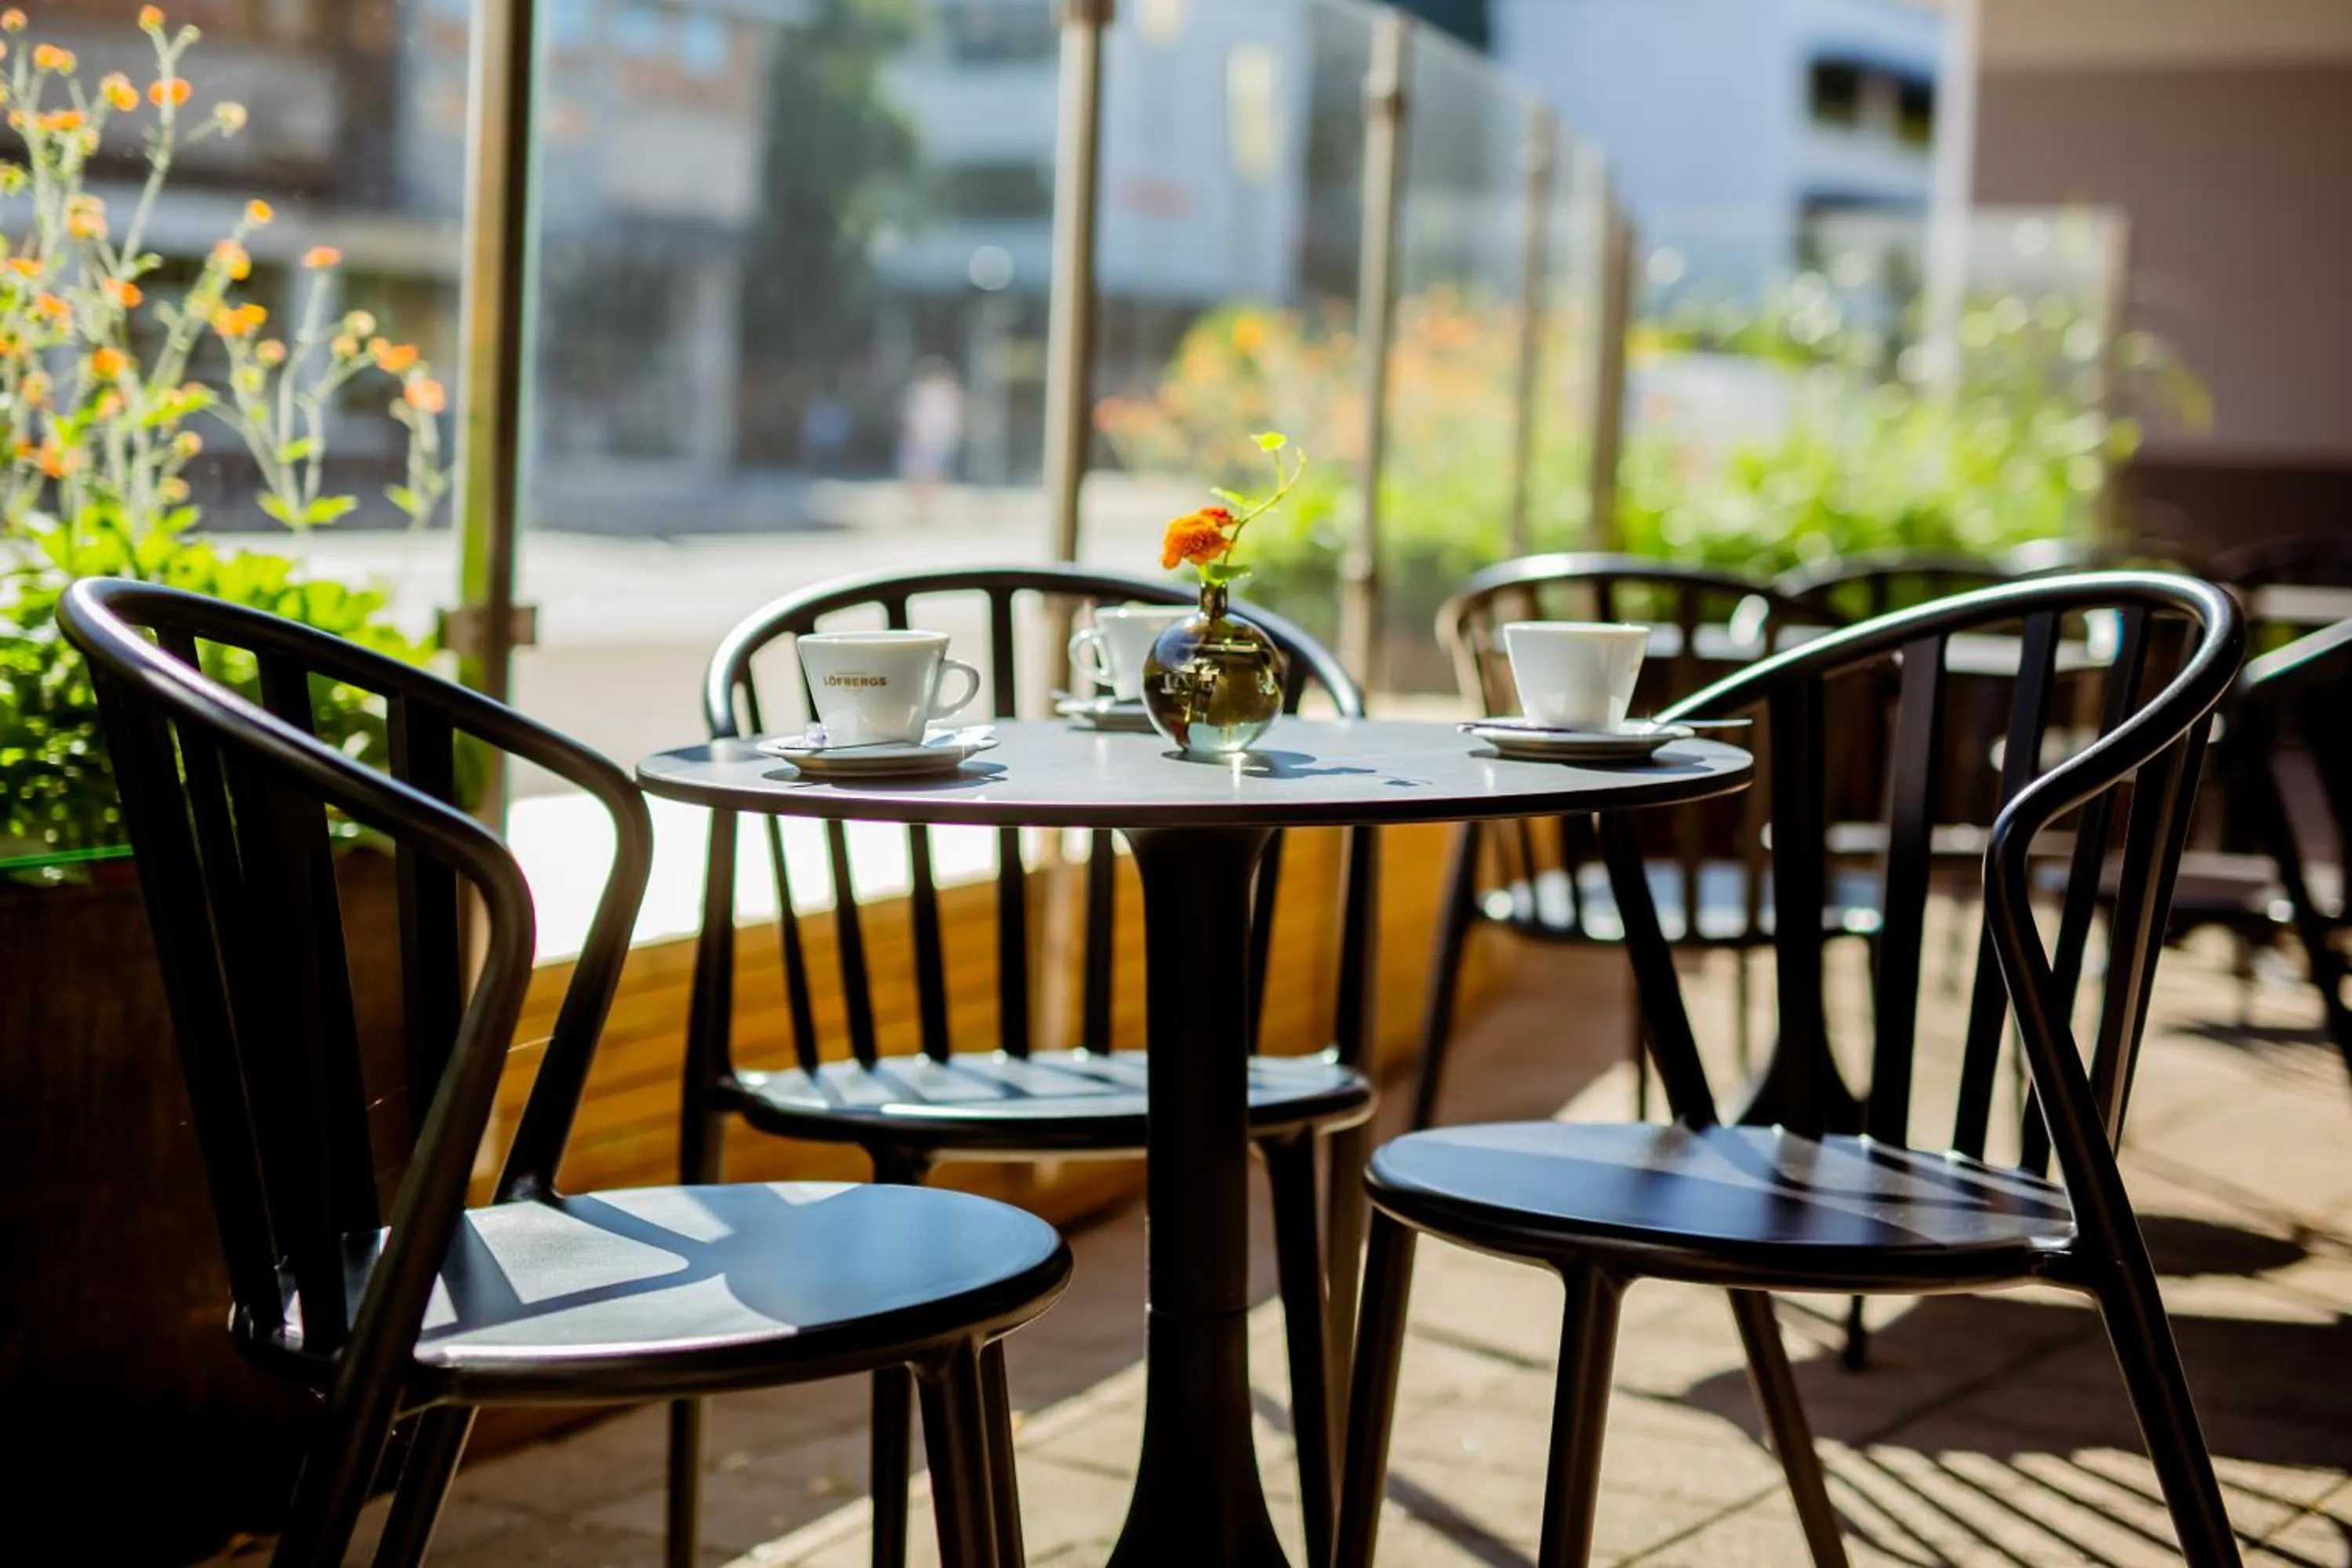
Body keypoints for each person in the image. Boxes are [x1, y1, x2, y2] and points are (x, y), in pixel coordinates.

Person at [896, 357, 964, 519]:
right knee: (923, 474)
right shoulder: (922, 392)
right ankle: (923, 509)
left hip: (935, 439)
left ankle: (927, 509)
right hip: (927, 439)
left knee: (931, 474)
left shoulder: (947, 392)